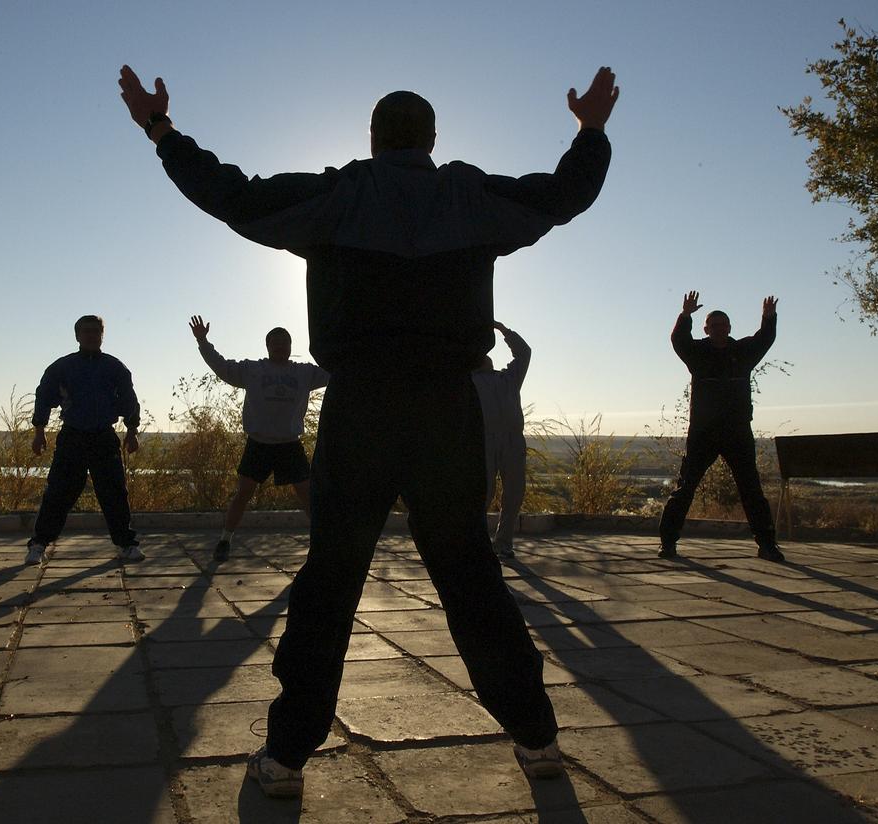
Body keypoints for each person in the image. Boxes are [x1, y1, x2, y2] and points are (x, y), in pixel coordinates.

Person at [119, 63, 617, 797]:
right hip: (450, 411)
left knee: (332, 577)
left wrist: (160, 130)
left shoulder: (336, 197)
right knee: (471, 575)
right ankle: (537, 740)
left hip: (364, 408)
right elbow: (565, 194)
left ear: (374, 139)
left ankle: (286, 757)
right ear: (434, 140)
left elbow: (232, 194)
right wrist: (592, 130)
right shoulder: (472, 198)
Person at [658, 291, 785, 562]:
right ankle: (667, 543)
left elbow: (765, 339)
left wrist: (768, 317)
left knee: (751, 488)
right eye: (714, 326)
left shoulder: (742, 352)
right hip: (703, 432)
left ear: (730, 328)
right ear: (706, 329)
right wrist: (685, 316)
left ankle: (767, 545)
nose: (719, 330)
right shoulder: (697, 354)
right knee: (686, 487)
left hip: (737, 432)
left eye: (724, 325)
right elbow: (678, 340)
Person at [189, 315, 328, 561]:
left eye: (285, 342)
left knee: (307, 494)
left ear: (291, 346)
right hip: (259, 444)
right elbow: (221, 366)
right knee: (243, 493)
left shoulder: (304, 373)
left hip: (290, 444)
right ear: (267, 346)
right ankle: (225, 539)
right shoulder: (253, 370)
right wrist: (203, 341)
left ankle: (324, 542)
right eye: (275, 342)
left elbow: (336, 372)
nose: (280, 346)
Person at [25, 315, 143, 566]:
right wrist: (39, 431)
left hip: (103, 437)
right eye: (86, 331)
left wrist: (132, 431)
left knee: (114, 493)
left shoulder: (115, 368)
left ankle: (126, 544)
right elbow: (43, 396)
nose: (91, 335)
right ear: (77, 336)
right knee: (58, 492)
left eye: (96, 331)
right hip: (73, 437)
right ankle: (38, 544)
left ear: (102, 335)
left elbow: (130, 401)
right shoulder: (63, 367)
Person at [472, 321, 531, 559]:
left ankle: (503, 542)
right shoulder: (469, 379)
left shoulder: (509, 379)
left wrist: (504, 331)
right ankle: (476, 543)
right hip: (484, 441)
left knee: (515, 492)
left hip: (513, 441)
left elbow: (524, 353)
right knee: (483, 493)